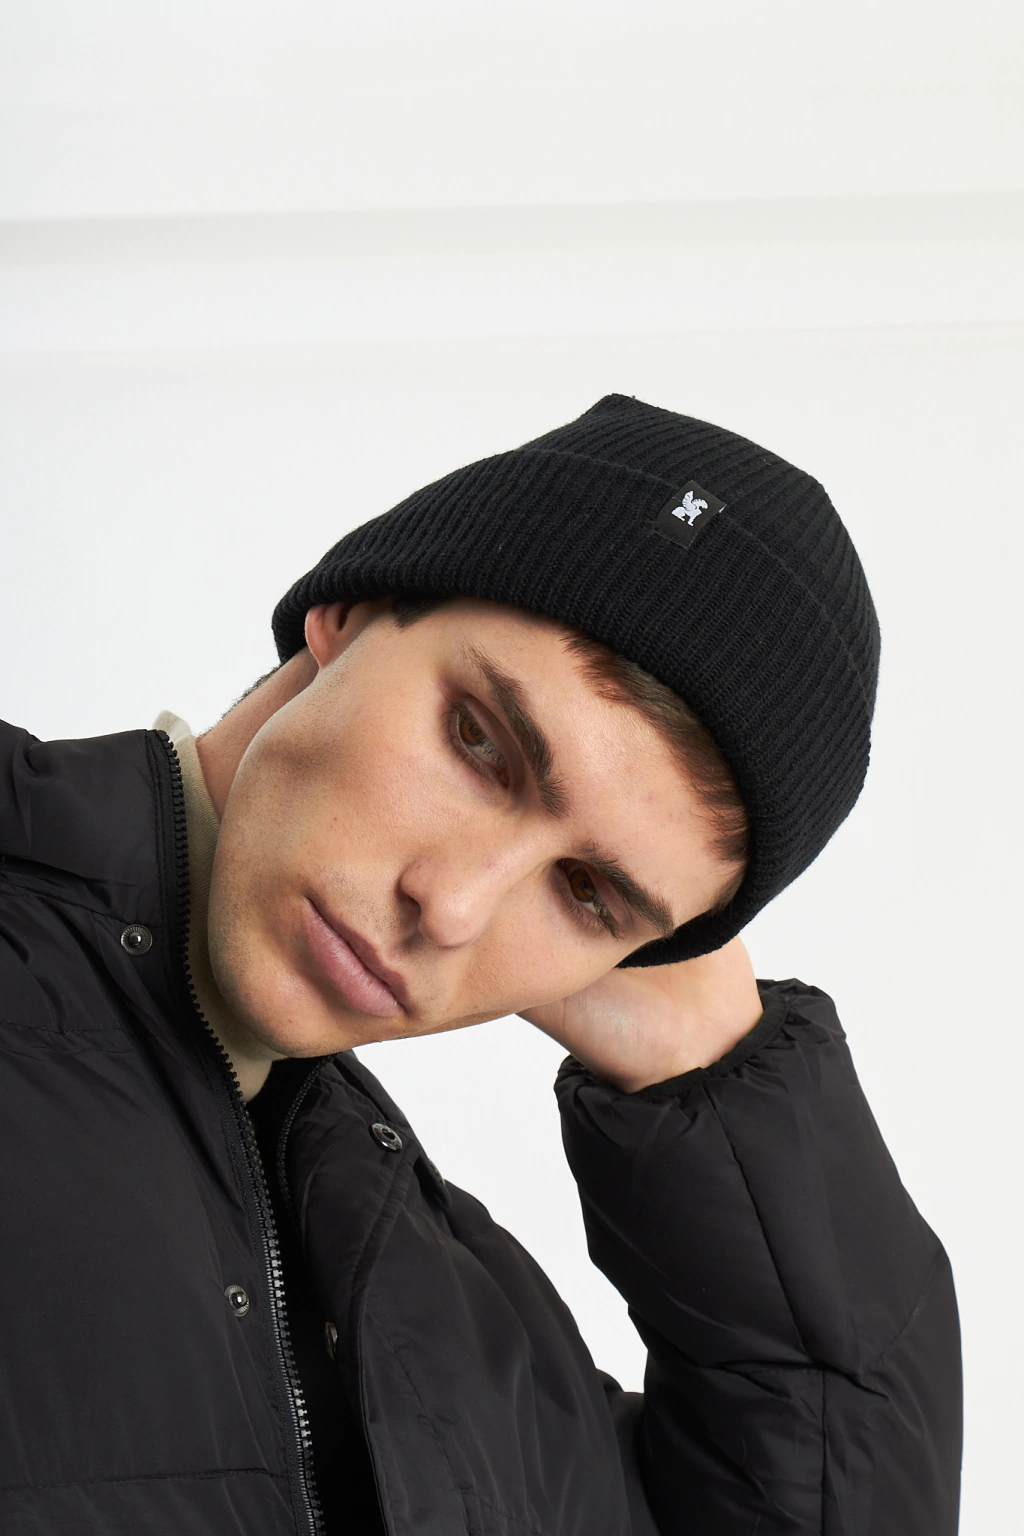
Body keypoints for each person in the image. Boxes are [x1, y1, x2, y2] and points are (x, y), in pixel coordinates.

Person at [0, 394, 961, 1535]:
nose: (452, 908)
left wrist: (712, 1079)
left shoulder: (460, 1343)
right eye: (479, 743)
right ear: (348, 612)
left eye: (587, 893)